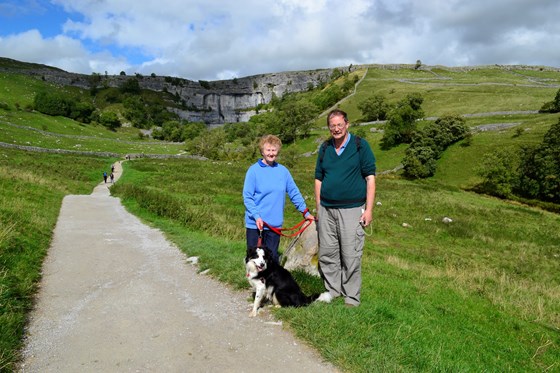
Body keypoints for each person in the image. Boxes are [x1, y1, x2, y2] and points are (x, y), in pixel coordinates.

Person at [314, 109, 376, 307]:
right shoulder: (325, 148)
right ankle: (333, 290)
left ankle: (351, 297)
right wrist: (318, 208)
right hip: (326, 209)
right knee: (327, 253)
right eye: (332, 126)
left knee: (351, 254)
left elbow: (370, 178)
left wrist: (369, 210)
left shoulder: (360, 146)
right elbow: (318, 178)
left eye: (340, 125)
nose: (336, 129)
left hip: (352, 209)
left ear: (347, 124)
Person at [243, 134, 315, 264]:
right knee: (254, 261)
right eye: (268, 150)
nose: (271, 153)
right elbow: (247, 197)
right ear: (262, 151)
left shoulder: (283, 171)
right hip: (255, 224)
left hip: (274, 225)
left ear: (278, 151)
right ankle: (254, 284)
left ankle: (270, 284)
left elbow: (294, 193)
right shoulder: (253, 171)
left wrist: (305, 212)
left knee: (271, 260)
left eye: (274, 150)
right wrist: (256, 216)